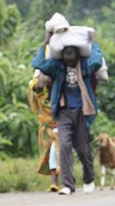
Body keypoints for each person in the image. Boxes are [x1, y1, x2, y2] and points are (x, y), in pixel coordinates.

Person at [32, 30, 103, 195]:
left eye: (72, 58)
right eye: (66, 58)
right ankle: (68, 185)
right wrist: (46, 43)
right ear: (62, 57)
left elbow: (97, 61)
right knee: (64, 145)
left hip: (82, 111)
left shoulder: (85, 65)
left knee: (83, 148)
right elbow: (38, 63)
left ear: (77, 56)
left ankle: (88, 179)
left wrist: (93, 43)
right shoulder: (58, 67)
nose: (69, 61)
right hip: (63, 111)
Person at [28, 71, 60, 192]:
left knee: (55, 151)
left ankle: (58, 181)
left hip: (62, 126)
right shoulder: (40, 91)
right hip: (46, 128)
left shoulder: (60, 88)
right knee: (51, 152)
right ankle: (55, 181)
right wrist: (43, 70)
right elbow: (36, 87)